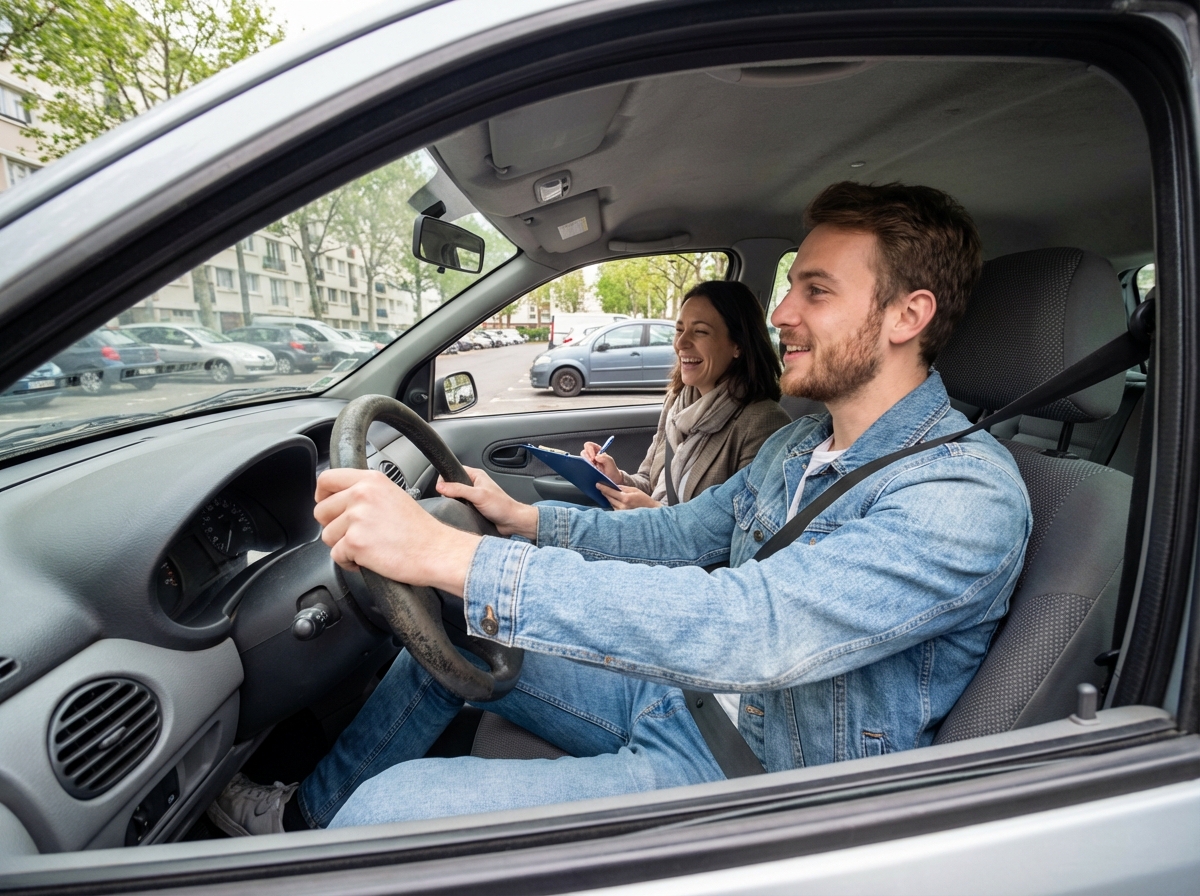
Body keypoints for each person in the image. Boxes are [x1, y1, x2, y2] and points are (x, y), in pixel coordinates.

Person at [208, 182, 1032, 836]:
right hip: (687, 696)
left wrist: (449, 554)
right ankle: (297, 820)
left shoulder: (964, 498)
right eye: (791, 288)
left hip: (761, 774)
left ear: (907, 315)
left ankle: (331, 832)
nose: (780, 313)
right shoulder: (798, 446)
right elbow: (679, 533)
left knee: (389, 814)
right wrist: (524, 520)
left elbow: (753, 627)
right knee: (466, 622)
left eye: (815, 291)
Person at [581, 280, 790, 510]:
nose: (681, 343)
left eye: (700, 332)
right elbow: (650, 484)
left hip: (676, 543)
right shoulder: (677, 400)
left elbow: (744, 529)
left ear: (738, 345)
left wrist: (653, 513)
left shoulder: (763, 422)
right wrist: (618, 478)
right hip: (644, 527)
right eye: (679, 330)